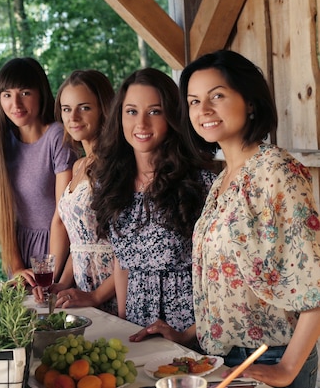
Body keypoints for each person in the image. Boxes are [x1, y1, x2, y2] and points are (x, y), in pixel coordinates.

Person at [177, 50, 319, 388]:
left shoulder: (276, 171)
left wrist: (286, 369)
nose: (203, 110)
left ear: (250, 102)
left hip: (270, 355)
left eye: (217, 96)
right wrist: (186, 334)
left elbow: (314, 280)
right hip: (222, 355)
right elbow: (232, 279)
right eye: (194, 101)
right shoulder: (222, 180)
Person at [90, 68, 215, 334]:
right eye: (132, 111)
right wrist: (124, 324)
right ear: (119, 117)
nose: (142, 124)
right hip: (137, 328)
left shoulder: (200, 184)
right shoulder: (111, 184)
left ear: (171, 117)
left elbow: (218, 274)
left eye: (154, 111)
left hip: (191, 330)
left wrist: (187, 335)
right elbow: (122, 264)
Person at [0, 57, 76, 285]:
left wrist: (48, 274)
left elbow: (62, 215)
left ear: (40, 93)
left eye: (24, 93)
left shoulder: (57, 135)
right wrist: (16, 267)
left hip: (59, 247)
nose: (15, 104)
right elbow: (2, 210)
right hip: (17, 248)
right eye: (7, 95)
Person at [35, 69, 117, 313]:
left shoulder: (117, 165)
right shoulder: (79, 165)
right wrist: (61, 283)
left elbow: (132, 248)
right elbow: (80, 243)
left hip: (111, 289)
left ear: (104, 108)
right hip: (82, 289)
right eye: (66, 108)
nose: (74, 117)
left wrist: (95, 296)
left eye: (85, 108)